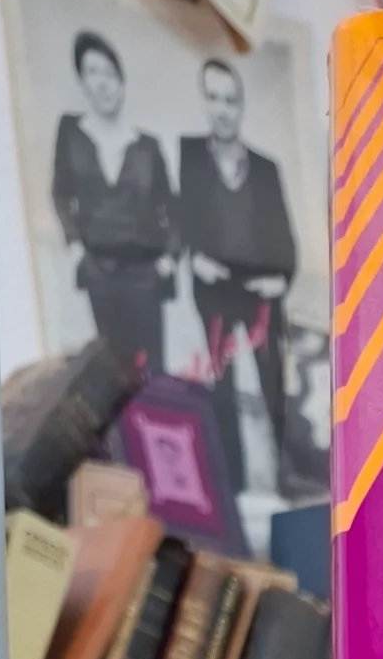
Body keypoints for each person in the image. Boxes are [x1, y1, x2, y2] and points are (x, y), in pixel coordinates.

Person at [178, 54, 296, 487]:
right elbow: (180, 218)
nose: (222, 110)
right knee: (222, 387)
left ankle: (283, 479)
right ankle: (232, 481)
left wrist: (280, 279)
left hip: (259, 290)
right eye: (213, 98)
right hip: (215, 290)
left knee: (273, 383)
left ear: (241, 106)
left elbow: (285, 238)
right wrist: (193, 256)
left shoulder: (265, 169)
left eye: (230, 100)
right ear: (203, 102)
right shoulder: (190, 157)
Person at [51, 30, 177, 376]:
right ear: (82, 80)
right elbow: (60, 192)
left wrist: (168, 258)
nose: (102, 83)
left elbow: (174, 209)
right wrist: (75, 244)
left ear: (121, 82)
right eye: (92, 72)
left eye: (109, 73)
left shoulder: (147, 147)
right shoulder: (71, 133)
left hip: (145, 275)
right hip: (99, 272)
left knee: (153, 371)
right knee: (112, 371)